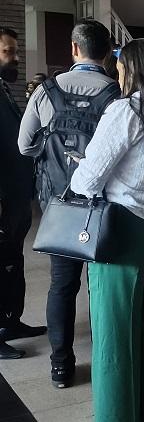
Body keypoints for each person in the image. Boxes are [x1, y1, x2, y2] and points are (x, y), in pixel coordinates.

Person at [70, 38, 144, 422]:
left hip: (121, 227)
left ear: (130, 69)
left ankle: (116, 414)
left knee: (113, 332)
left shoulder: (125, 111)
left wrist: (82, 171)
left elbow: (87, 179)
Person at [18, 19, 120, 388]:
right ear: (108, 53)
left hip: (59, 205)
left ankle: (61, 365)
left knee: (62, 285)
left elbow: (25, 145)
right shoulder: (117, 94)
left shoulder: (45, 90)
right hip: (104, 207)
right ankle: (107, 362)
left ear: (74, 49)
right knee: (101, 284)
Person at [0, 27, 47, 360]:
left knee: (12, 262)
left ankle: (10, 321)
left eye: (14, 51)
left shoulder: (4, 89)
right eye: (8, 52)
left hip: (15, 198)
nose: (15, 58)